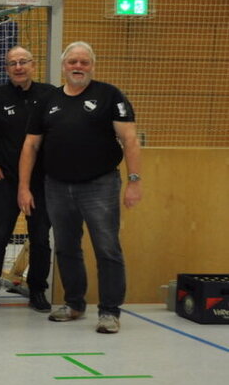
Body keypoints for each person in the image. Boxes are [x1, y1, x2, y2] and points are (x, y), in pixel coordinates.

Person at [18, 41, 142, 334]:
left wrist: (134, 181)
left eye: (84, 62)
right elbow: (31, 145)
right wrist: (24, 187)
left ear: (92, 66)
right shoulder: (48, 100)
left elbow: (131, 141)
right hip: (57, 186)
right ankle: (74, 304)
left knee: (107, 248)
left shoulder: (109, 95)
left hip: (100, 185)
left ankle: (110, 312)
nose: (78, 67)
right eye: (72, 62)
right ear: (63, 66)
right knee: (65, 247)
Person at [0, 46, 55, 312]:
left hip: (41, 181)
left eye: (24, 62)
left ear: (33, 65)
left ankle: (37, 291)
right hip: (6, 179)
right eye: (13, 63)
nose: (19, 67)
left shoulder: (49, 95)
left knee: (41, 239)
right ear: (6, 68)